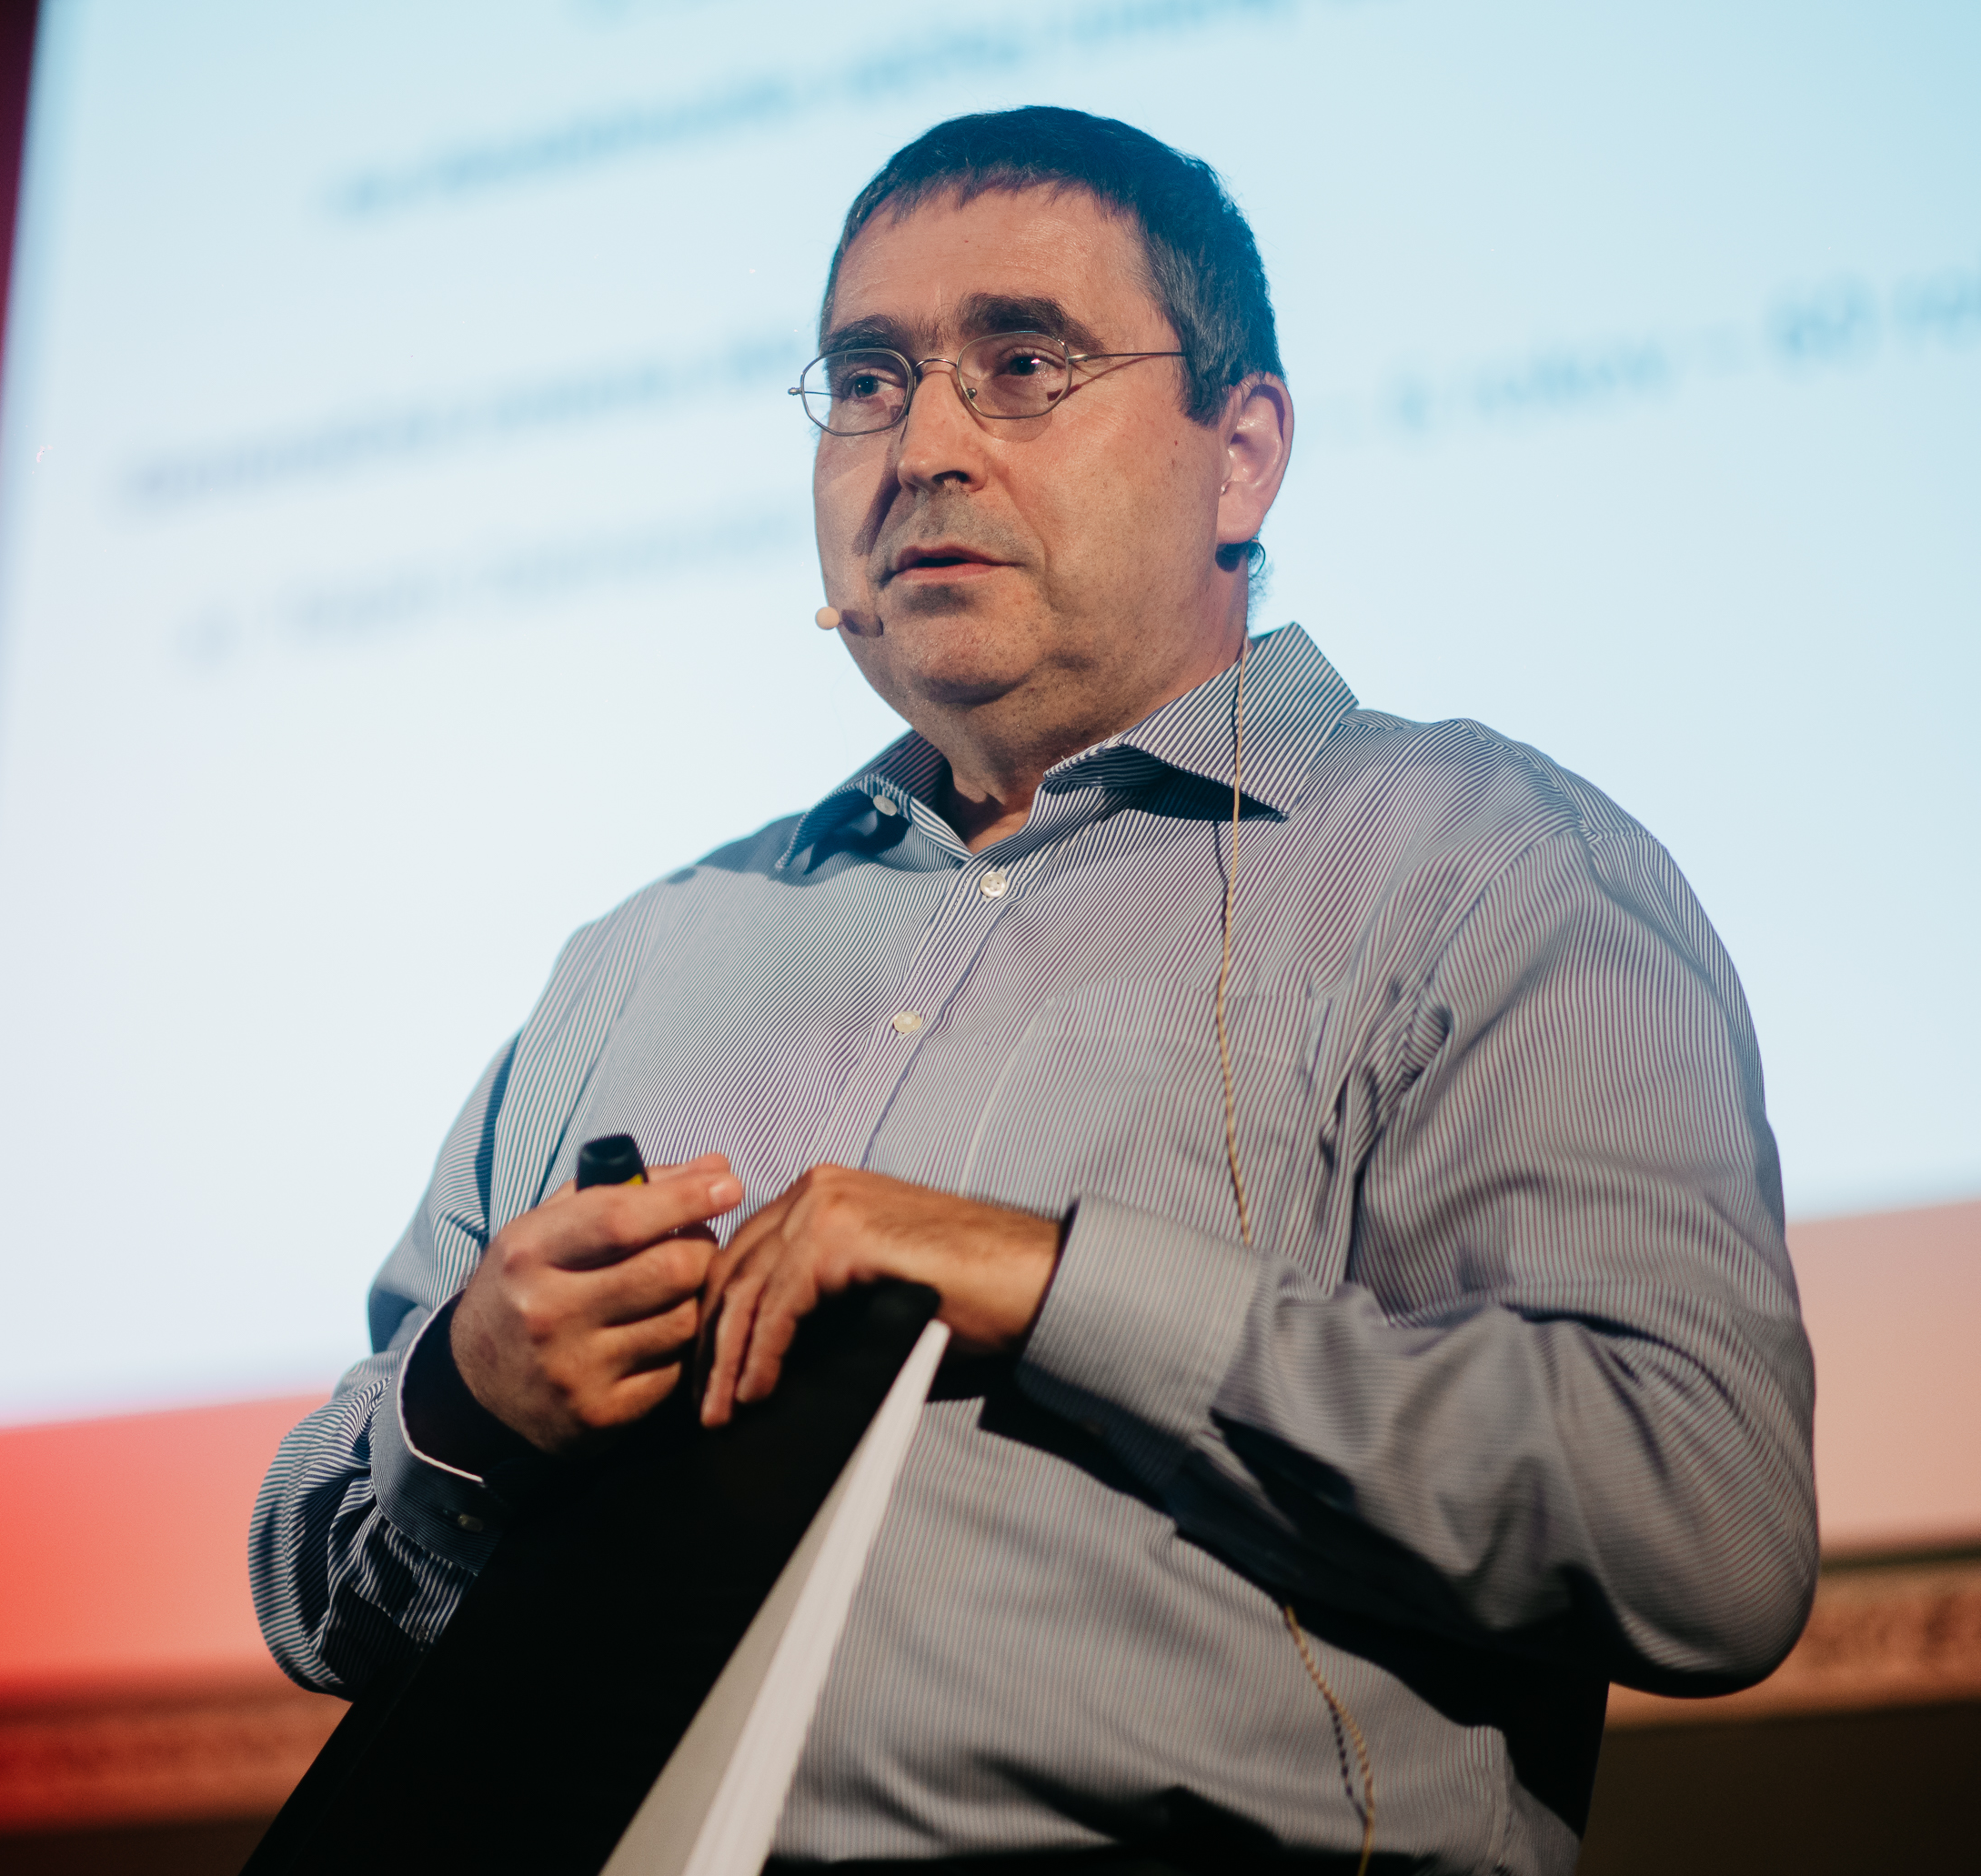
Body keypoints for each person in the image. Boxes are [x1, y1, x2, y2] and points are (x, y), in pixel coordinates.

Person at [248, 106, 1815, 1875]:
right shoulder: (651, 950)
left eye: (1021, 364)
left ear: (1242, 455)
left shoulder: (1482, 866)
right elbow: (310, 1581)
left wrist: (1054, 1283)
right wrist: (463, 1403)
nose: (921, 445)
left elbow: (1697, 1525)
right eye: (865, 379)